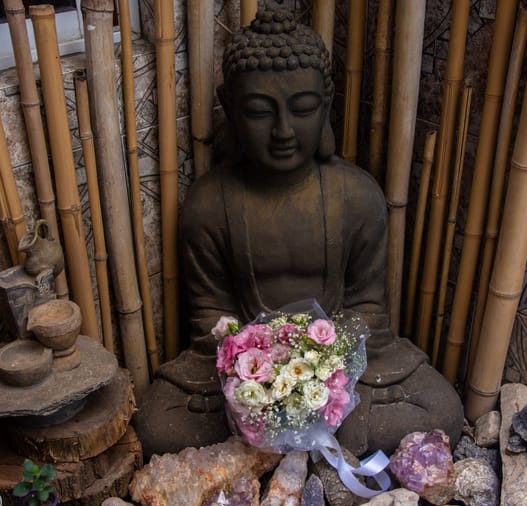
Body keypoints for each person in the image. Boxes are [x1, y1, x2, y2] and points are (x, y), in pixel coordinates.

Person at [134, 9, 463, 457]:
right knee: (159, 423)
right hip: (245, 366)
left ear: (326, 106)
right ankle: (308, 438)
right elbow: (209, 315)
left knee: (440, 409)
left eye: (303, 109)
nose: (284, 131)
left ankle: (280, 442)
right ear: (229, 107)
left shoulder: (357, 196)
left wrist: (321, 369)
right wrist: (257, 369)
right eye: (258, 112)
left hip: (342, 361)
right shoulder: (209, 205)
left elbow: (369, 306)